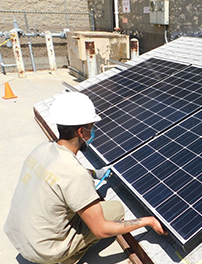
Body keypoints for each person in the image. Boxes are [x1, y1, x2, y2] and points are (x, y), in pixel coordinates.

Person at [4, 92, 167, 264]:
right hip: (43, 252)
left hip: (18, 235)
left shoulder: (43, 149)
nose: (93, 131)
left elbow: (64, 175)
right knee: (115, 210)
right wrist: (147, 221)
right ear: (81, 132)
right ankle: (68, 258)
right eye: (91, 127)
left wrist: (95, 173)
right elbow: (101, 230)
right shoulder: (75, 175)